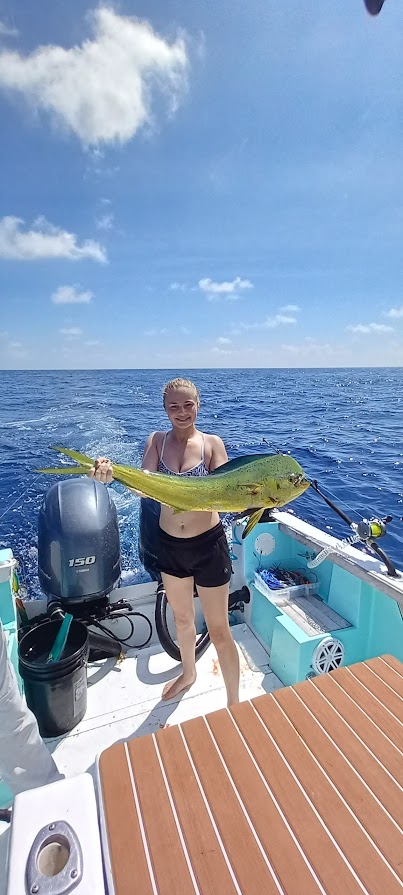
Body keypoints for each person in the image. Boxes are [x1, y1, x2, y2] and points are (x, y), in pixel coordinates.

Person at [89, 377, 240, 706]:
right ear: (165, 410)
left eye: (188, 405)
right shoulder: (156, 441)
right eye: (174, 406)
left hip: (208, 546)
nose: (182, 412)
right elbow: (143, 487)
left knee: (219, 630)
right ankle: (188, 672)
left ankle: (234, 703)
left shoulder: (213, 444)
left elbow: (229, 493)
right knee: (183, 620)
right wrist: (111, 475)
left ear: (198, 405)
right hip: (170, 546)